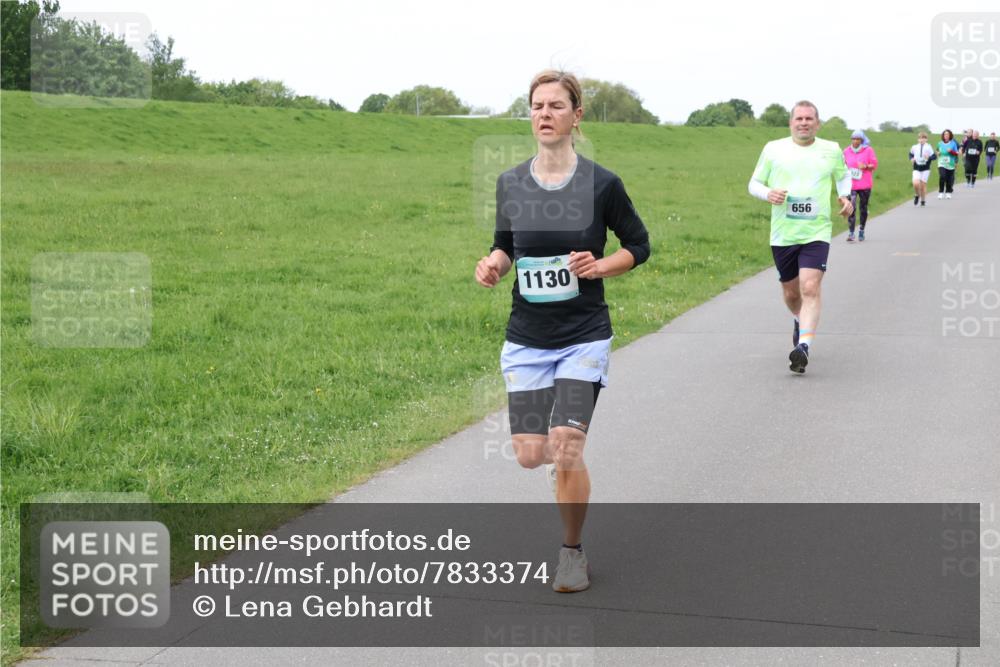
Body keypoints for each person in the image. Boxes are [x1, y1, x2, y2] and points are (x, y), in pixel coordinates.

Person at [475, 70, 650, 593]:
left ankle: (571, 553)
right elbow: (506, 244)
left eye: (555, 105)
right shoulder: (510, 182)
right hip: (527, 338)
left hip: (583, 336)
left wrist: (600, 266)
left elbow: (637, 246)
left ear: (577, 116)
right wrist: (493, 265)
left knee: (567, 444)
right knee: (533, 455)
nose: (544, 114)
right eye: (536, 106)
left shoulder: (601, 183)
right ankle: (561, 471)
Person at [748, 101, 852, 374]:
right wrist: (767, 194)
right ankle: (798, 319)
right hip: (783, 233)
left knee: (810, 287)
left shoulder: (831, 150)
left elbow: (843, 177)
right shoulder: (773, 149)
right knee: (792, 293)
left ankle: (803, 346)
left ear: (817, 123)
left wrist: (845, 196)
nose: (804, 123)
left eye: (809, 118)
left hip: (817, 231)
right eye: (799, 118)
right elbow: (754, 183)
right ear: (790, 123)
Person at [842, 130, 878, 240]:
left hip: (865, 184)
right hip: (851, 185)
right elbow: (842, 165)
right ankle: (851, 233)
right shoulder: (846, 151)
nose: (855, 141)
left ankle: (861, 230)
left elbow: (874, 165)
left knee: (863, 208)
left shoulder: (868, 150)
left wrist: (866, 167)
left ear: (862, 140)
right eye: (853, 138)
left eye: (858, 139)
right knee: (851, 207)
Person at [909, 132, 936, 207]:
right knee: (915, 183)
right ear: (918, 139)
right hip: (916, 168)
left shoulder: (929, 147)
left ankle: (923, 200)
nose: (922, 140)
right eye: (920, 138)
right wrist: (911, 159)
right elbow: (910, 154)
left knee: (923, 185)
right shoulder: (914, 147)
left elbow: (934, 157)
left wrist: (929, 157)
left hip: (925, 169)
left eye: (923, 138)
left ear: (926, 139)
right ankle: (917, 195)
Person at [937, 129, 959, 199]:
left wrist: (951, 151)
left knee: (949, 179)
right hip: (941, 163)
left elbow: (956, 153)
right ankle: (940, 192)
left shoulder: (953, 143)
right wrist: (938, 153)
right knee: (942, 176)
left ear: (950, 136)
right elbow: (937, 151)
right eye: (945, 134)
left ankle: (948, 192)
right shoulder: (939, 143)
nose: (946, 135)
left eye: (947, 134)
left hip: (950, 164)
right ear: (943, 136)